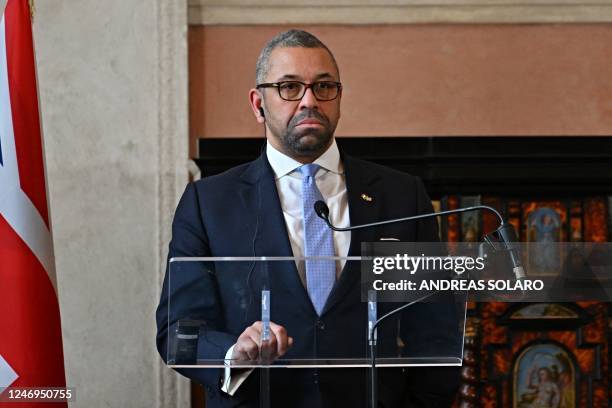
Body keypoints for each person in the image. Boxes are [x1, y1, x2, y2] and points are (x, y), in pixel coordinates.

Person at [156, 29, 460, 407]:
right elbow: (179, 332)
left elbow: (436, 329)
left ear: (339, 97)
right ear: (258, 104)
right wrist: (234, 354)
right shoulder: (209, 203)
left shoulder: (401, 196)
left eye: (324, 86)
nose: (309, 101)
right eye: (289, 87)